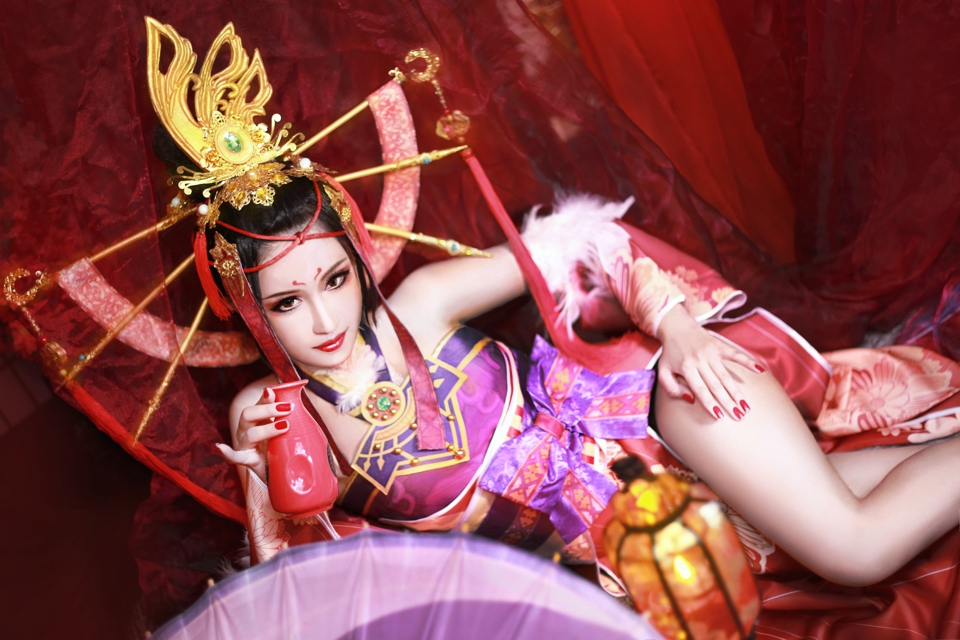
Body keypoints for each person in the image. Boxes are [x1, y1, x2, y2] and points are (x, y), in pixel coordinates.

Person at [206, 165, 960, 588]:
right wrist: (269, 494)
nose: (324, 318)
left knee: (855, 552)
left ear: (357, 255)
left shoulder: (423, 305)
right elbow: (316, 588)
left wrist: (680, 329)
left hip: (664, 413)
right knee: (839, 509)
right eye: (286, 302)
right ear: (248, 308)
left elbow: (582, 239)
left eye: (335, 278)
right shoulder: (269, 414)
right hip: (621, 559)